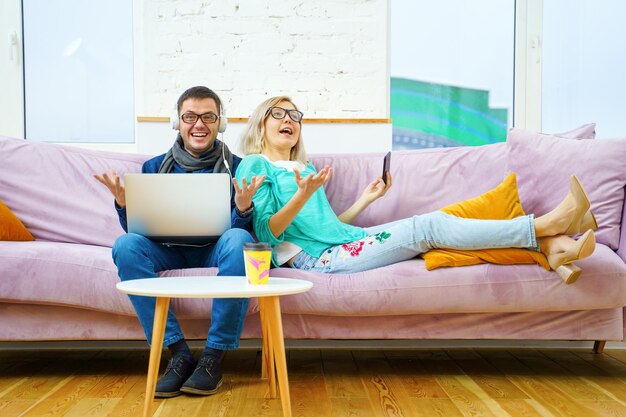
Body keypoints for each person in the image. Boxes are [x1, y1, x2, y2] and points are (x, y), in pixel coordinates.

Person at [235, 95, 597, 284]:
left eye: (295, 116)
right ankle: (544, 228)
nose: (289, 121)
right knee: (427, 228)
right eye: (278, 114)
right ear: (260, 124)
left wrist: (367, 198)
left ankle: (551, 247)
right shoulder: (256, 164)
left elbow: (327, 228)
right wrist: (301, 194)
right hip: (319, 261)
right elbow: (266, 233)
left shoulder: (305, 168)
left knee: (437, 227)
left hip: (340, 243)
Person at [95, 86, 264, 398]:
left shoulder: (239, 167)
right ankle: (179, 353)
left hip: (215, 250)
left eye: (208, 117)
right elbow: (138, 232)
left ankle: (213, 356)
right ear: (178, 122)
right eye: (190, 116)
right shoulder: (152, 168)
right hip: (168, 251)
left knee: (240, 238)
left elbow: (244, 229)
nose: (198, 124)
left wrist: (242, 208)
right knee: (125, 245)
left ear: (220, 123)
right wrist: (124, 206)